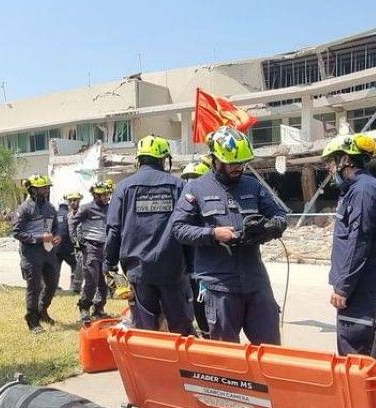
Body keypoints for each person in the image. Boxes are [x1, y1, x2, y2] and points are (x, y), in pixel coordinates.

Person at [172, 127, 287, 344]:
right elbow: (179, 228)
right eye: (232, 163)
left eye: (242, 163)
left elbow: (280, 215)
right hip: (219, 286)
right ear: (215, 159)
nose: (238, 168)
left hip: (255, 281)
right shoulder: (196, 188)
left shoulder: (253, 186)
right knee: (226, 354)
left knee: (271, 348)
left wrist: (267, 228)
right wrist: (213, 234)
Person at [106, 136, 195, 335]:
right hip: (173, 270)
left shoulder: (124, 187)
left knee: (146, 330)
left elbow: (113, 229)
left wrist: (109, 263)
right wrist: (191, 266)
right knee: (181, 328)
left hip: (139, 272)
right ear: (164, 159)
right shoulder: (179, 186)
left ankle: (152, 366)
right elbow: (188, 229)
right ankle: (185, 367)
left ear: (139, 160)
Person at [323, 134, 376, 356]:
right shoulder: (357, 189)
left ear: (346, 160)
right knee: (358, 351)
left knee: (354, 353)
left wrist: (344, 287)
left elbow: (358, 241)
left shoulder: (363, 191)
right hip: (358, 284)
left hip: (358, 288)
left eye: (331, 162)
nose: (330, 168)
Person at [11, 174, 60, 334]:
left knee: (52, 284)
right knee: (34, 287)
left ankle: (42, 311)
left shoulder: (50, 207)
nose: (46, 190)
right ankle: (32, 320)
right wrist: (39, 238)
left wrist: (57, 236)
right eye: (42, 188)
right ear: (32, 190)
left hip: (49, 252)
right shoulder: (25, 208)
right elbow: (17, 232)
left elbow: (55, 228)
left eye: (47, 187)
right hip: (31, 253)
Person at [181, 161, 213, 336]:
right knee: (196, 303)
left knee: (210, 304)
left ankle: (213, 337)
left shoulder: (213, 207)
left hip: (211, 269)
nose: (191, 184)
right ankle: (206, 335)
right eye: (188, 179)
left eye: (195, 179)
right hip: (189, 269)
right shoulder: (183, 209)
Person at [74, 180, 112, 323]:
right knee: (91, 279)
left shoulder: (111, 208)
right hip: (90, 247)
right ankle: (84, 308)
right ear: (95, 195)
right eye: (101, 195)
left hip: (106, 248)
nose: (104, 197)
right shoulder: (86, 208)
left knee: (104, 280)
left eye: (106, 194)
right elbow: (73, 222)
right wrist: (76, 241)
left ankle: (98, 308)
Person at [56, 191, 83, 295]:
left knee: (56, 266)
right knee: (75, 265)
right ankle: (74, 287)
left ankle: (55, 286)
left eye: (75, 200)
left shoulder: (55, 214)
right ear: (67, 204)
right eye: (70, 201)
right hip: (69, 247)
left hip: (57, 247)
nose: (72, 203)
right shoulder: (68, 215)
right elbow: (69, 233)